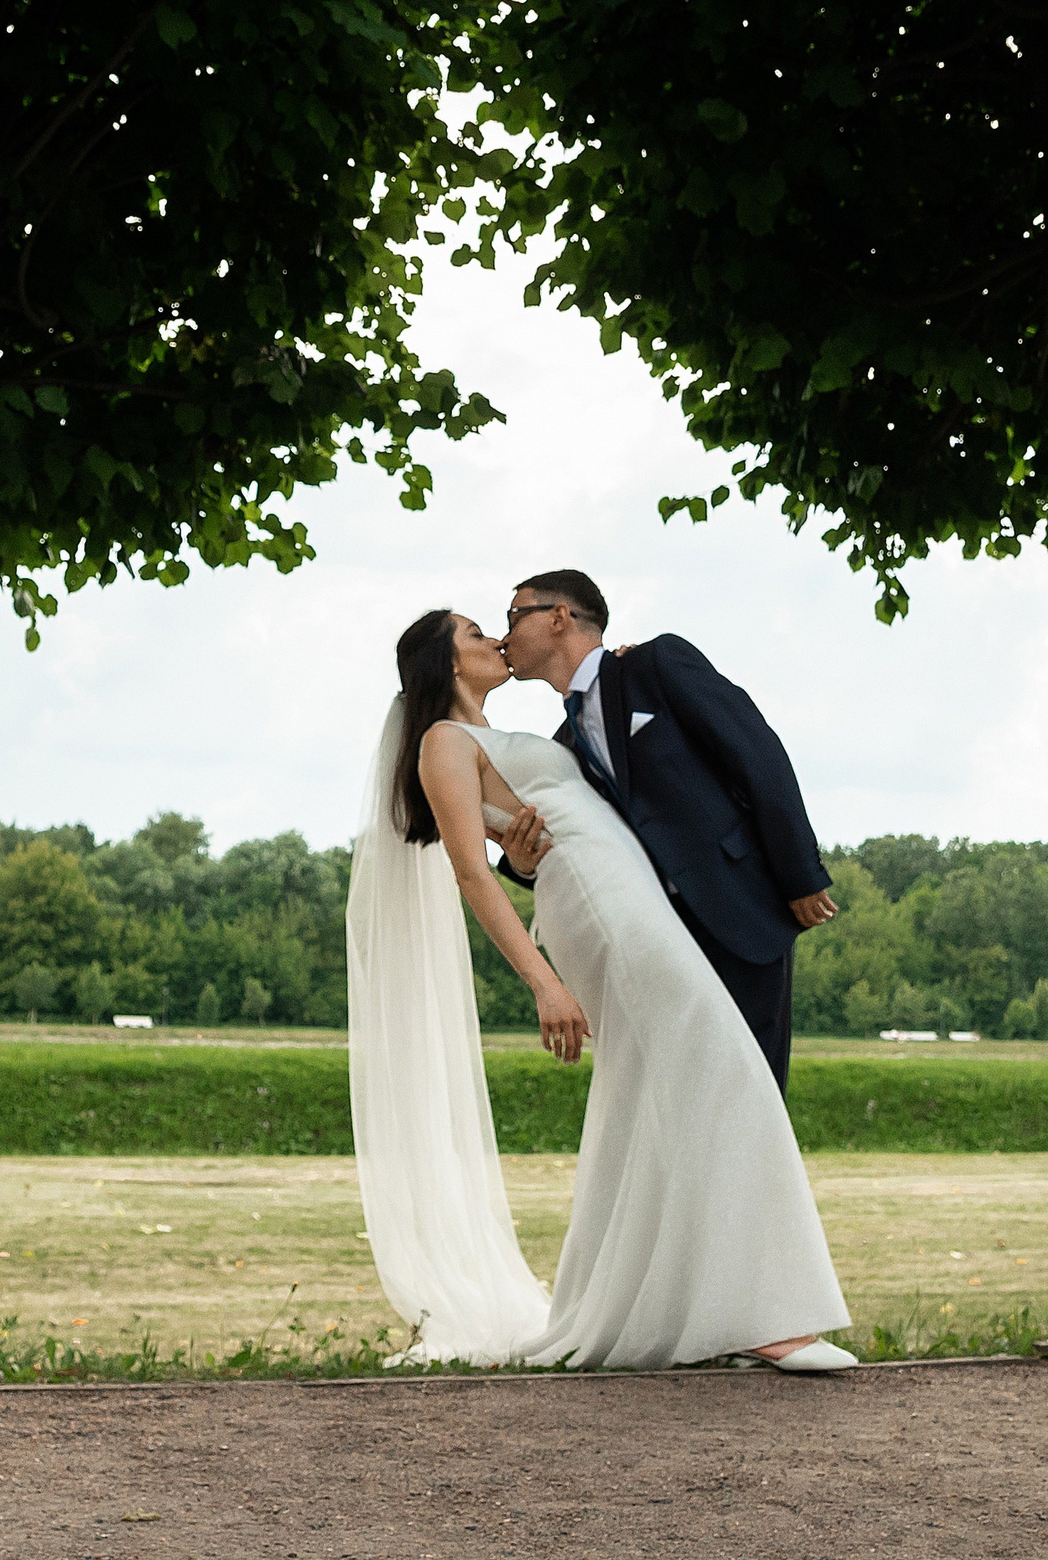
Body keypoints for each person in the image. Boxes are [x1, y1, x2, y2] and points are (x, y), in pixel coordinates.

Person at [345, 608, 855, 1372]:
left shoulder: (533, 738)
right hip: (602, 909)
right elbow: (473, 872)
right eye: (477, 633)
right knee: (730, 1074)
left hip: (631, 895)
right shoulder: (442, 743)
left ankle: (685, 1314)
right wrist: (545, 983)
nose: (494, 640)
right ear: (447, 664)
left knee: (662, 1101)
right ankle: (765, 1317)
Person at [491, 570, 835, 1094]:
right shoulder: (561, 748)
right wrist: (520, 863)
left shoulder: (655, 664)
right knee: (685, 1095)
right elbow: (576, 849)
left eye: (514, 618)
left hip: (738, 911)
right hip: (656, 941)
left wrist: (799, 876)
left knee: (755, 1091)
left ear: (560, 617)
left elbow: (756, 754)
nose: (504, 637)